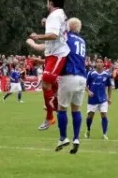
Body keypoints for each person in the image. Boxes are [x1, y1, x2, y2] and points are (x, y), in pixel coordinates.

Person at [27, 17, 86, 154]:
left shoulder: (65, 37)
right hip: (82, 78)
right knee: (76, 110)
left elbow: (54, 44)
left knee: (62, 109)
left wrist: (46, 21)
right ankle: (76, 138)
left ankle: (63, 137)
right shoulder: (82, 41)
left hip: (68, 76)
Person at [28, 0, 70, 130]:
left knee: (46, 83)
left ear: (50, 2)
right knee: (49, 84)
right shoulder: (60, 13)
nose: (46, 4)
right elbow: (60, 29)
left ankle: (50, 117)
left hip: (59, 54)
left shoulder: (55, 15)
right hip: (51, 54)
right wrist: (47, 23)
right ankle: (56, 109)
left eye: (47, 1)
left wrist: (37, 36)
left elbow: (54, 35)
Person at [85, 57, 112, 140]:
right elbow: (84, 85)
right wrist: (88, 91)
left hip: (103, 99)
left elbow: (110, 86)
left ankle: (104, 134)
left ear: (103, 64)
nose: (99, 63)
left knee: (104, 114)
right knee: (90, 116)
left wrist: (109, 97)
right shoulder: (91, 73)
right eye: (97, 62)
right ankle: (88, 130)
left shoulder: (106, 74)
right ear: (95, 64)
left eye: (101, 62)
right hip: (92, 99)